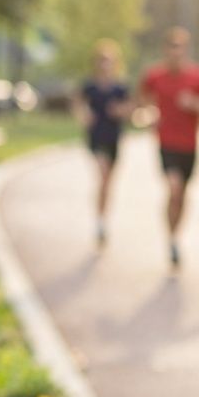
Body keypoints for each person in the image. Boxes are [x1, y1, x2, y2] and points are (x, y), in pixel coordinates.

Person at [137, 27, 199, 268]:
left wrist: (194, 103)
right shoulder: (154, 76)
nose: (176, 53)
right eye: (171, 48)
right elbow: (142, 100)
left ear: (185, 51)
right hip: (166, 142)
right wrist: (148, 114)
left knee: (182, 195)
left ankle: (175, 237)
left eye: (180, 48)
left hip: (190, 146)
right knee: (173, 189)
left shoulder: (198, 76)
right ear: (166, 50)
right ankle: (170, 240)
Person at [72, 39, 131, 248]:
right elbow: (77, 103)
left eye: (109, 60)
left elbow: (130, 110)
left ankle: (102, 219)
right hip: (96, 137)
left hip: (114, 137)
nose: (106, 64)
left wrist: (120, 111)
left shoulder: (120, 87)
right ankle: (99, 221)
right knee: (103, 173)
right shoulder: (90, 86)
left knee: (108, 183)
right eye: (102, 60)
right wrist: (83, 114)